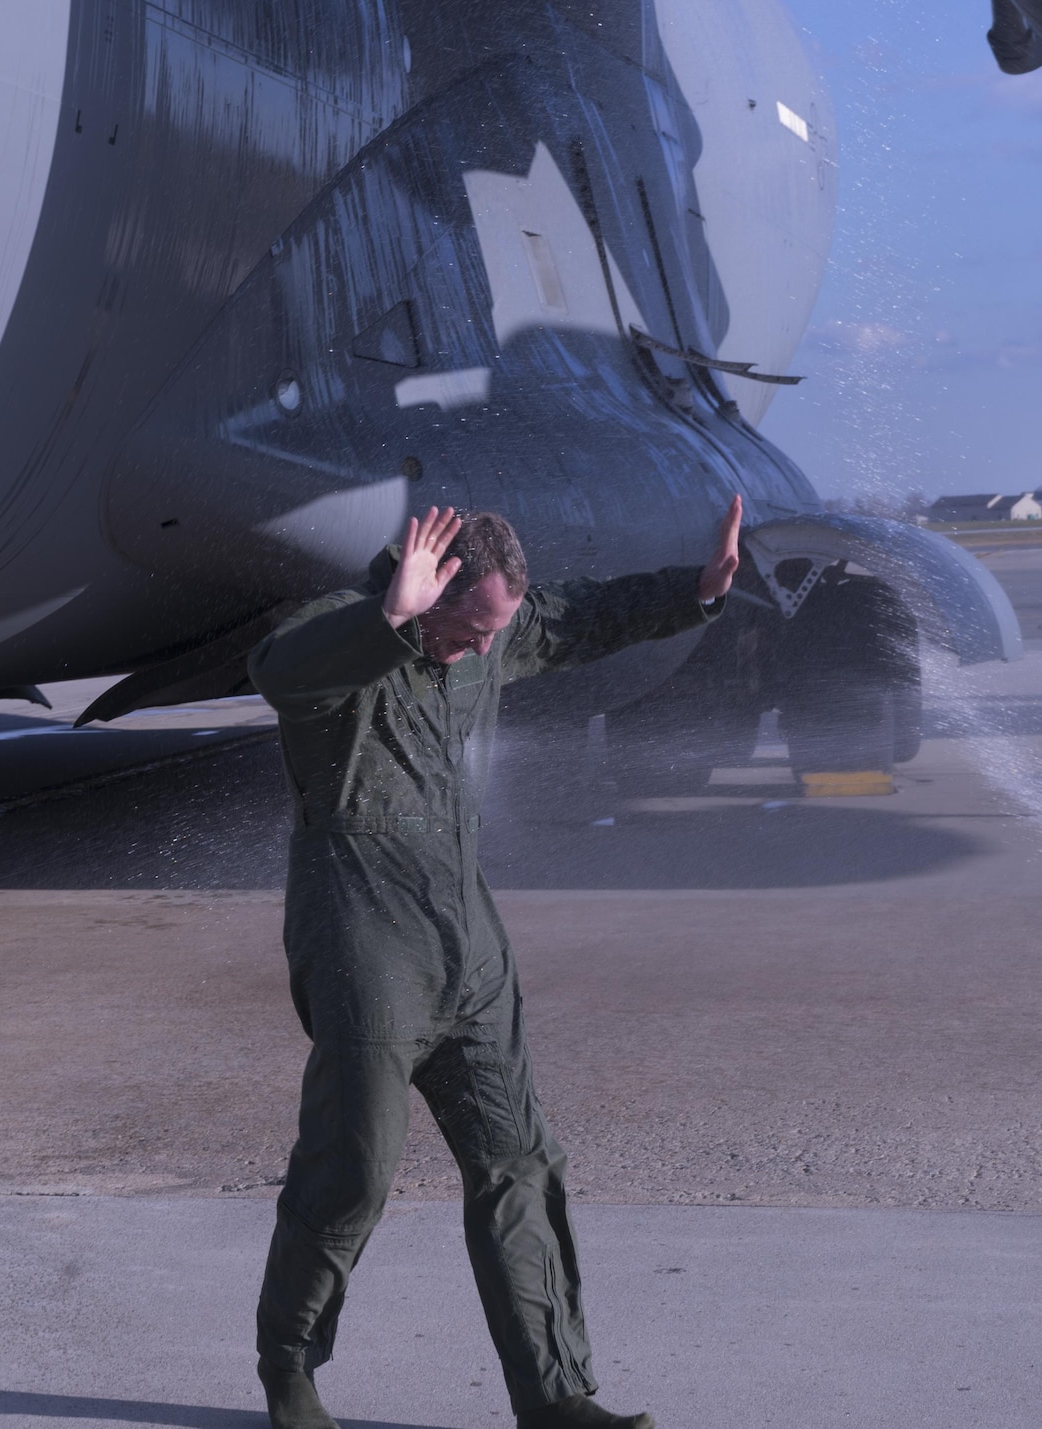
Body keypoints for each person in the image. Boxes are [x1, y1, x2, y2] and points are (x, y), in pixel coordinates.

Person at [245, 498, 743, 1429]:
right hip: (365, 950)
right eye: (468, 630)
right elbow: (277, 672)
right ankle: (290, 1369)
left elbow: (576, 618)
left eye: (494, 633)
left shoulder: (488, 632)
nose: (483, 651)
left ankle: (556, 1395)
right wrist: (388, 617)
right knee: (352, 1172)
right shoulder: (340, 637)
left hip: (469, 949)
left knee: (518, 1161)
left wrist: (696, 592)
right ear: (423, 590)